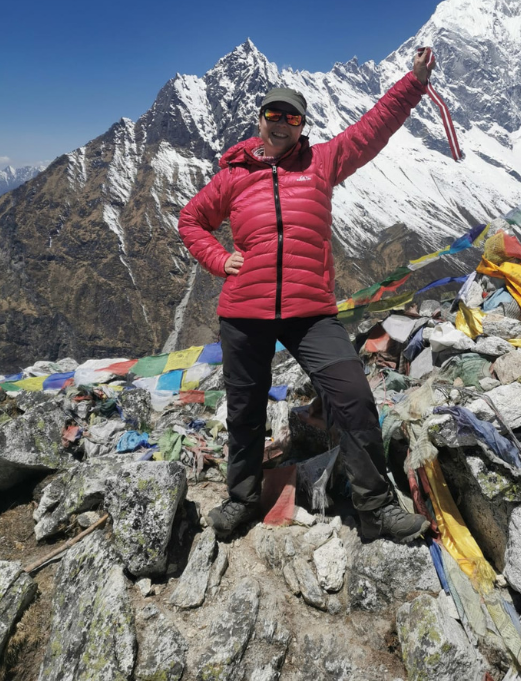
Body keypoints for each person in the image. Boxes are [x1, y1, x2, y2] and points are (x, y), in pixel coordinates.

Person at [178, 48, 436, 541]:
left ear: (301, 126)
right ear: (260, 120)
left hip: (308, 311)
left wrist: (414, 84)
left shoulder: (321, 163)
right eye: (273, 115)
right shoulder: (233, 175)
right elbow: (191, 221)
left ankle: (375, 507)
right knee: (245, 409)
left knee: (354, 396)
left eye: (291, 117)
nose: (281, 124)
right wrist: (217, 258)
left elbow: (370, 130)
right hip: (245, 312)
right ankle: (242, 500)